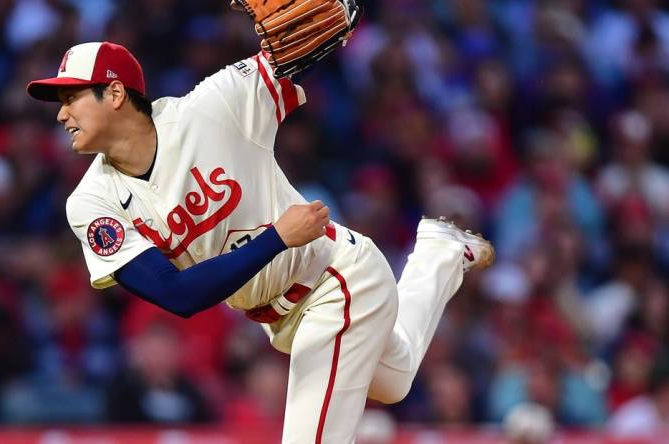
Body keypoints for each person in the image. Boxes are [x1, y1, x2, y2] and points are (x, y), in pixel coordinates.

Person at [27, 40, 494, 443]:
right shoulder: (90, 203)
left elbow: (299, 46)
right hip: (278, 316)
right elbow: (177, 295)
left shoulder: (210, 108)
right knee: (394, 380)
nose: (62, 113)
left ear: (113, 93)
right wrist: (275, 239)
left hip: (335, 278)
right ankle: (440, 250)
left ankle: (438, 251)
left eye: (70, 97)